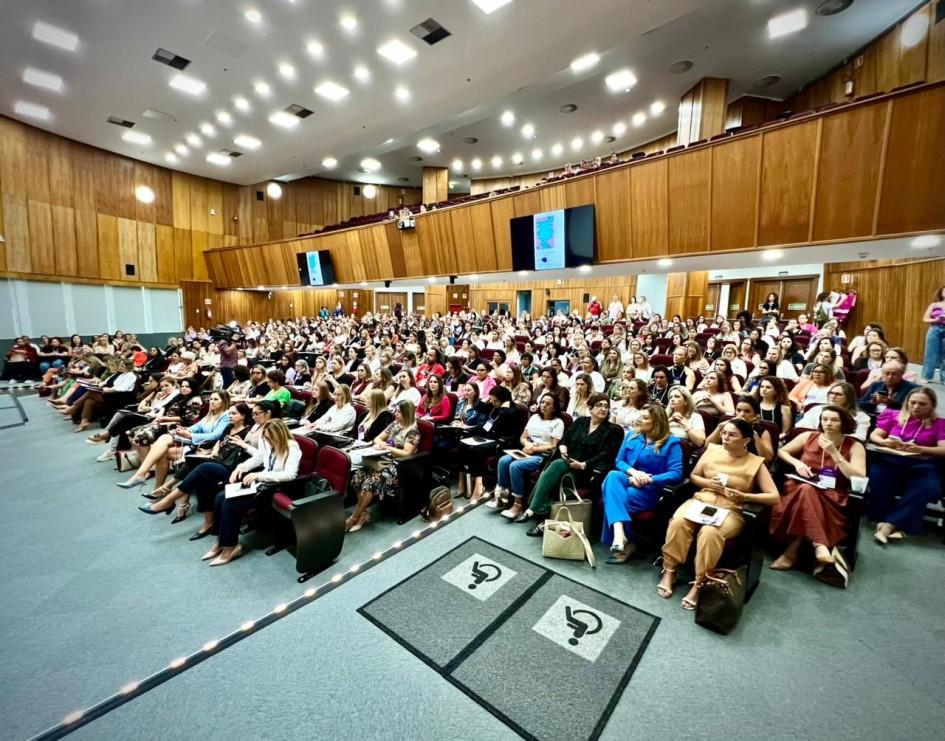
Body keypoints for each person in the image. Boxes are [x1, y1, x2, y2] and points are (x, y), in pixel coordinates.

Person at [657, 418, 779, 609]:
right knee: (679, 521)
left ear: (746, 440)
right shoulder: (712, 450)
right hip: (702, 500)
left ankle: (700, 583)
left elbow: (774, 497)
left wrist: (744, 496)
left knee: (710, 532)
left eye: (732, 435)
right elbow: (694, 476)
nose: (725, 438)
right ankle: (670, 569)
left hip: (731, 509)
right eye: (724, 433)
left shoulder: (756, 463)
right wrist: (708, 484)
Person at [770, 406, 866, 570]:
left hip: (832, 494)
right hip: (798, 485)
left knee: (807, 492)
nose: (828, 423)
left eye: (834, 420)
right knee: (806, 489)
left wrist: (835, 454)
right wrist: (797, 462)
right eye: (824, 419)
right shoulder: (808, 436)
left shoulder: (855, 446)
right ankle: (819, 544)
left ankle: (791, 551)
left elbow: (858, 477)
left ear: (844, 423)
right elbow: (782, 452)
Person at [202, 419, 302, 566]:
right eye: (267, 438)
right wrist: (241, 467)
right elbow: (258, 458)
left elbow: (290, 475)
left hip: (276, 487)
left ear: (280, 436)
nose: (268, 441)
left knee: (230, 503)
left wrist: (259, 475)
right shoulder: (267, 442)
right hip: (263, 483)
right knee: (220, 497)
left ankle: (231, 546)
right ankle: (219, 542)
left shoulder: (292, 447)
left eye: (271, 438)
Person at [519, 394, 623, 532]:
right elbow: (564, 440)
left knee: (561, 481)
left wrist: (583, 464)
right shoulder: (581, 421)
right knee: (556, 464)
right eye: (599, 405)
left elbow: (606, 455)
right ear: (590, 408)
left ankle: (540, 517)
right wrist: (563, 447)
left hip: (588, 470)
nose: (603, 409)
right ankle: (534, 510)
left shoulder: (613, 430)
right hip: (568, 462)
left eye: (606, 406)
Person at [601, 404, 684, 561]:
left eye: (645, 418)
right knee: (612, 475)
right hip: (628, 479)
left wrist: (648, 479)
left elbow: (676, 473)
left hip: (649, 490)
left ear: (657, 422)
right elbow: (619, 461)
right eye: (640, 416)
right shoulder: (632, 436)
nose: (640, 419)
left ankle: (627, 540)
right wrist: (635, 473)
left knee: (611, 493)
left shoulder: (672, 442)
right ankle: (621, 535)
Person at [867, 387, 945, 543]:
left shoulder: (939, 424)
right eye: (913, 402)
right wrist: (885, 442)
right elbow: (875, 435)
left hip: (923, 464)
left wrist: (921, 449)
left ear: (932, 405)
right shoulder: (893, 415)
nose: (916, 407)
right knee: (876, 474)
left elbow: (943, 448)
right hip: (892, 460)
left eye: (922, 404)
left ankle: (889, 524)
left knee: (929, 487)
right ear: (907, 402)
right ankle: (888, 519)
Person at [346, 400, 421, 532]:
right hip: (382, 459)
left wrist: (388, 447)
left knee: (369, 483)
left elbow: (406, 453)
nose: (395, 414)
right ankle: (363, 514)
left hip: (398, 466)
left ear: (406, 413)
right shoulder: (395, 425)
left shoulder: (413, 432)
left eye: (398, 411)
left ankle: (354, 517)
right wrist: (381, 444)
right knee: (357, 478)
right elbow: (377, 438)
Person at [491, 393, 565, 520]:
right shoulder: (534, 417)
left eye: (548, 404)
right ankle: (502, 495)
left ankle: (518, 504)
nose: (544, 406)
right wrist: (527, 444)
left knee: (515, 466)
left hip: (542, 455)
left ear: (554, 407)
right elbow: (523, 437)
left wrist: (534, 448)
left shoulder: (558, 422)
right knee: (503, 460)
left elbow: (554, 446)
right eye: (542, 402)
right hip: (527, 450)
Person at [704, 395, 776, 463]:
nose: (742, 414)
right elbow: (707, 446)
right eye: (738, 410)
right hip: (724, 460)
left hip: (747, 465)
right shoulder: (726, 426)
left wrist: (752, 431)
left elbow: (767, 458)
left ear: (755, 415)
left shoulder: (761, 431)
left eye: (747, 411)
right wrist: (720, 427)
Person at [795, 381, 870, 441]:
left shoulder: (861, 417)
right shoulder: (816, 409)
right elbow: (801, 428)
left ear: (848, 398)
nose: (833, 397)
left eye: (838, 394)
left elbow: (858, 438)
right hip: (811, 443)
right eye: (831, 393)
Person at [920, 285, 945, 384]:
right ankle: (926, 376)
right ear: (941, 293)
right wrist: (936, 319)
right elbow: (925, 318)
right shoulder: (934, 305)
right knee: (930, 353)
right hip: (935, 328)